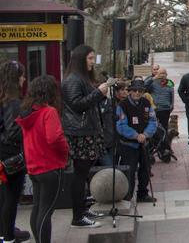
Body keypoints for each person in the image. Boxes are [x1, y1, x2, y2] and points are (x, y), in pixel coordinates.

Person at [17, 76, 70, 243]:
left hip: (34, 166)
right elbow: (54, 138)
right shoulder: (49, 112)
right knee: (46, 211)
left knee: (38, 208)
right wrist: (65, 150)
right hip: (50, 165)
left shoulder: (28, 113)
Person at [61, 45, 108, 229]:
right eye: (89, 58)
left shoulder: (82, 78)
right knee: (79, 175)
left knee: (84, 173)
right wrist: (98, 93)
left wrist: (99, 93)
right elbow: (77, 104)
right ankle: (77, 216)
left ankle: (82, 209)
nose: (92, 62)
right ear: (81, 59)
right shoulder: (73, 79)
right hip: (79, 133)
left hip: (87, 130)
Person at [115, 79, 157, 203]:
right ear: (130, 91)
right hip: (128, 145)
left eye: (140, 91)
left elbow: (153, 121)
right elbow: (121, 125)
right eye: (134, 90)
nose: (137, 93)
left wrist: (145, 134)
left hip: (144, 143)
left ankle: (142, 194)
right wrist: (135, 135)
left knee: (145, 169)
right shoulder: (122, 106)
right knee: (130, 171)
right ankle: (127, 195)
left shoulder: (146, 103)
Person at [0, 62, 26, 243]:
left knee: (3, 195)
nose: (24, 79)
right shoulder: (14, 102)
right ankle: (8, 235)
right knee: (11, 196)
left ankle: (5, 229)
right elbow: (12, 132)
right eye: (22, 75)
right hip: (10, 156)